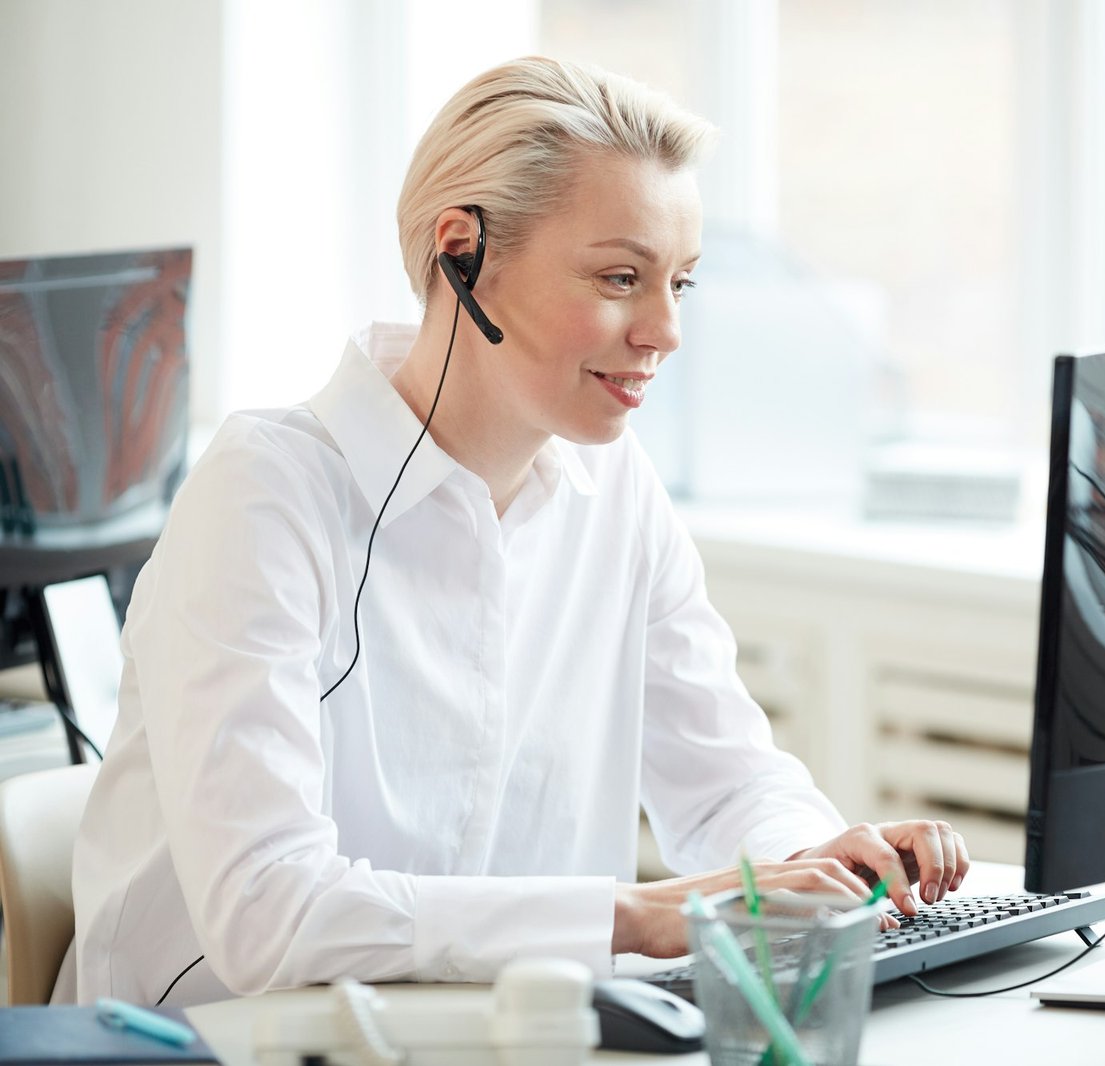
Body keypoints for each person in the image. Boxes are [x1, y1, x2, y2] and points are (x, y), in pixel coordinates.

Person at [61, 56, 968, 1007]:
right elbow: (266, 913)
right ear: (464, 251)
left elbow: (727, 782)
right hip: (213, 1039)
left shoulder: (614, 491)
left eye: (681, 285)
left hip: (486, 1033)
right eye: (622, 277)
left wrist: (815, 862)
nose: (664, 330)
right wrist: (635, 914)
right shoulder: (265, 496)